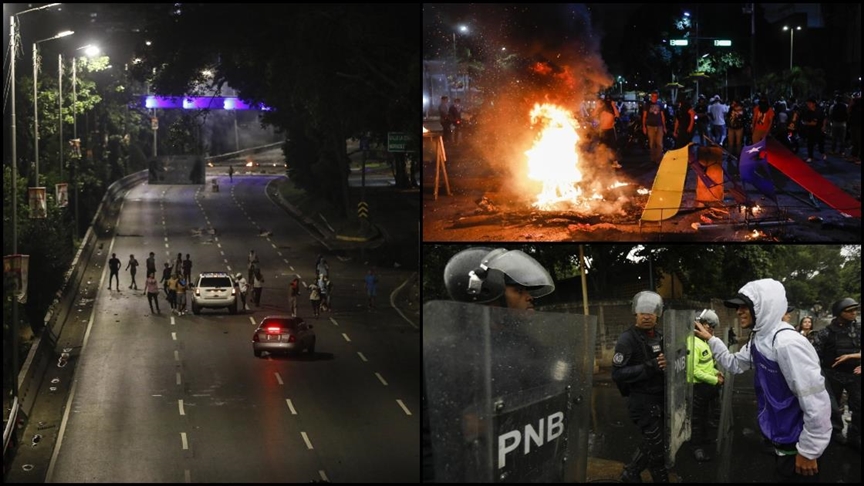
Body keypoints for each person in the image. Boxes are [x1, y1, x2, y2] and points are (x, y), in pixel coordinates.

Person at [424, 247, 557, 482]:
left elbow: (554, 410)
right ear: (486, 297)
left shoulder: (534, 349)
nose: (530, 297)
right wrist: (462, 428)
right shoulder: (444, 355)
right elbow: (431, 442)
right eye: (518, 290)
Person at [694, 278, 831, 482]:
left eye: (745, 306)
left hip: (798, 445)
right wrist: (712, 339)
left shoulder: (787, 343)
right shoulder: (760, 339)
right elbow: (733, 363)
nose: (739, 311)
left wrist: (810, 450)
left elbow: (815, 400)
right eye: (737, 307)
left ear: (764, 307)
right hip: (780, 437)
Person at [612, 290, 668, 483]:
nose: (646, 316)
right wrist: (650, 366)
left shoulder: (660, 336)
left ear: (658, 314)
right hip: (642, 402)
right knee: (657, 452)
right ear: (635, 313)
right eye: (642, 311)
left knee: (654, 443)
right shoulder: (627, 339)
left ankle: (631, 472)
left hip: (660, 399)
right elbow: (617, 374)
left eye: (651, 311)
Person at [811, 298, 860, 451]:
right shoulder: (826, 332)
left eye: (855, 310)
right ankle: (834, 432)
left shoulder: (859, 329)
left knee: (858, 405)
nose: (854, 313)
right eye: (850, 311)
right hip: (832, 375)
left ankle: (855, 434)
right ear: (839, 313)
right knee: (832, 407)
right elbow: (814, 355)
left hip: (855, 374)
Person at [687, 309, 724, 463]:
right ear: (698, 324)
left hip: (707, 387)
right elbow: (692, 371)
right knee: (696, 419)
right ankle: (696, 448)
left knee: (705, 417)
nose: (710, 328)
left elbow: (706, 365)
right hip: (698, 388)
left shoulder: (704, 342)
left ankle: (703, 439)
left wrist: (716, 372)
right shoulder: (693, 343)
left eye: (712, 326)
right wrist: (715, 380)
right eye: (707, 325)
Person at [595, 95, 622, 168]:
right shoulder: (601, 108)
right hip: (603, 130)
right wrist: (597, 107)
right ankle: (602, 162)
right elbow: (593, 115)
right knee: (602, 147)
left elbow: (617, 115)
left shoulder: (612, 108)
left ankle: (614, 162)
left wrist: (613, 106)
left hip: (610, 130)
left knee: (613, 147)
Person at [798, 98, 828, 163]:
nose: (808, 105)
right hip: (810, 130)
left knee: (820, 143)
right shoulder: (807, 111)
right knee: (810, 143)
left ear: (814, 104)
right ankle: (810, 156)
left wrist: (824, 126)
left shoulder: (819, 110)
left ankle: (823, 153)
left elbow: (824, 118)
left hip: (819, 129)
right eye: (807, 103)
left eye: (809, 103)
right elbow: (806, 120)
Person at [642, 91, 667, 165]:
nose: (655, 98)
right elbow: (644, 116)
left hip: (659, 126)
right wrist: (644, 126)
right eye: (654, 96)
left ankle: (658, 159)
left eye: (656, 96)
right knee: (652, 143)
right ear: (651, 96)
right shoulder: (647, 104)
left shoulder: (660, 104)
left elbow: (663, 116)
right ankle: (653, 158)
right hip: (650, 126)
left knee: (659, 143)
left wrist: (664, 127)